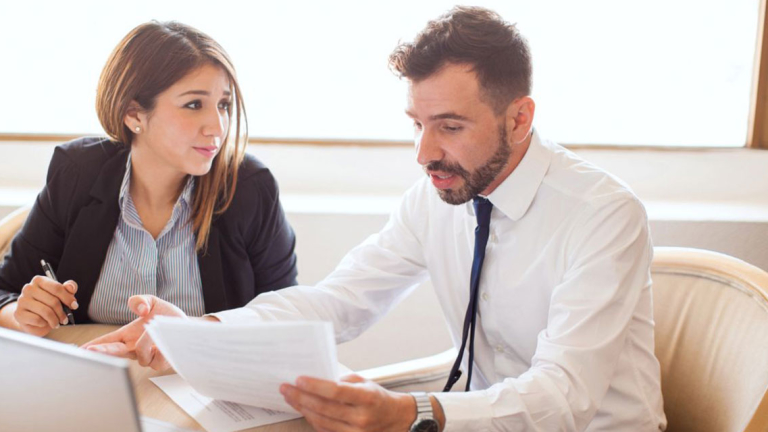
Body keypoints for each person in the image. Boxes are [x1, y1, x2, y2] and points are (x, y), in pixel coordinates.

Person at [86, 7, 666, 431]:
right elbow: (338, 301)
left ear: (520, 118)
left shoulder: (603, 216)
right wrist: (201, 332)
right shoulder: (437, 196)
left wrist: (408, 412)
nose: (424, 152)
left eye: (450, 126)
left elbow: (562, 398)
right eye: (417, 123)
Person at [0, 21, 297, 337]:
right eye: (194, 104)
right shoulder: (77, 172)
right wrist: (23, 314)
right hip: (95, 376)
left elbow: (286, 316)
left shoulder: (249, 187)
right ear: (134, 115)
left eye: (223, 104)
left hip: (201, 382)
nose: (218, 126)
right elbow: (6, 292)